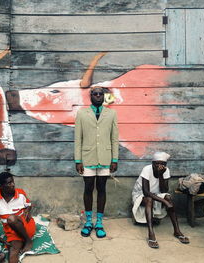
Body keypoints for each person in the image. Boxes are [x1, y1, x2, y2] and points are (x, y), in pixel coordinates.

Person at [74, 53, 119, 238]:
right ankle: (88, 222)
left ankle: (99, 223)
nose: (98, 96)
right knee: (88, 189)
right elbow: (78, 138)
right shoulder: (82, 114)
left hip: (106, 158)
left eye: (101, 94)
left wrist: (114, 159)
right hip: (88, 158)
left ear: (104, 96)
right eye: (95, 93)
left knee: (102, 189)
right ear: (90, 96)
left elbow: (114, 138)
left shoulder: (111, 114)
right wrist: (78, 160)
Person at [132, 152, 190, 248]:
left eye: (162, 164)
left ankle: (177, 231)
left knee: (168, 197)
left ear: (166, 165)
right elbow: (146, 192)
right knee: (149, 199)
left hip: (156, 193)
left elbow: (164, 190)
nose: (160, 166)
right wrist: (164, 202)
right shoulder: (147, 169)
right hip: (140, 195)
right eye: (157, 163)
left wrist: (160, 175)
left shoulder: (165, 171)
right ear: (152, 163)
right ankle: (151, 234)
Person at [0, 171, 36, 263]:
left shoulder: (20, 194)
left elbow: (28, 204)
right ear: (1, 186)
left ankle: (28, 241)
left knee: (11, 219)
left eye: (13, 182)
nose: (13, 185)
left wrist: (27, 211)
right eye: (9, 183)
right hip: (11, 231)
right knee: (13, 252)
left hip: (25, 226)